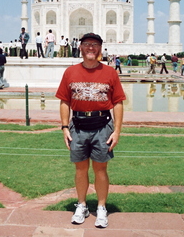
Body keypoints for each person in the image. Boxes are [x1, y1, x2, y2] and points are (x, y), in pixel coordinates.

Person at [56, 32, 126, 228]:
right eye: (87, 44)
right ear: (80, 47)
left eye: (95, 44)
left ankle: (101, 207)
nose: (90, 48)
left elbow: (118, 103)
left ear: (100, 48)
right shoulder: (70, 72)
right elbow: (64, 101)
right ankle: (82, 205)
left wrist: (117, 130)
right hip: (77, 126)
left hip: (102, 126)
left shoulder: (110, 73)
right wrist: (64, 126)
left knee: (101, 168)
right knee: (80, 169)